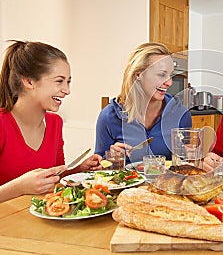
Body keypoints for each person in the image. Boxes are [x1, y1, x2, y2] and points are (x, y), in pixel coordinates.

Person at [0, 40, 102, 203]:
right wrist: (20, 187)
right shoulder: (2, 124)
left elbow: (55, 176)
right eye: (59, 81)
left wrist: (79, 169)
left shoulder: (55, 123)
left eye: (68, 82)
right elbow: (26, 186)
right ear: (29, 81)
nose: (67, 91)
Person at [95, 42, 192, 162]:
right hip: (128, 181)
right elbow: (98, 167)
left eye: (170, 75)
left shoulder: (180, 114)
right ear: (138, 75)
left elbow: (184, 165)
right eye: (161, 74)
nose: (169, 83)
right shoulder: (109, 116)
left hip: (165, 181)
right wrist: (111, 158)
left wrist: (191, 156)